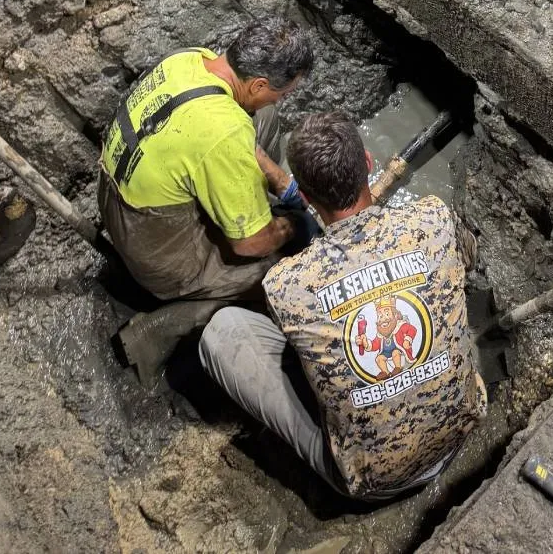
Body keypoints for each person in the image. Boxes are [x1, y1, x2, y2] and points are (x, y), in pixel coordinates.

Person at [199, 111, 487, 500]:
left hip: (377, 485)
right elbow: (467, 258)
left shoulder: (286, 284)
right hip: (463, 432)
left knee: (223, 331)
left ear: (304, 195)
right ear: (367, 162)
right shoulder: (432, 218)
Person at [98, 19, 316, 303]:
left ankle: (244, 201)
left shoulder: (191, 57)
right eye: (282, 94)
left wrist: (280, 181)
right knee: (280, 264)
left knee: (264, 117)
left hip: (117, 189)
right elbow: (251, 244)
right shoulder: (225, 131)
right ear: (259, 84)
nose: (280, 100)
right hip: (154, 248)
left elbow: (221, 132)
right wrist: (292, 226)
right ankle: (176, 316)